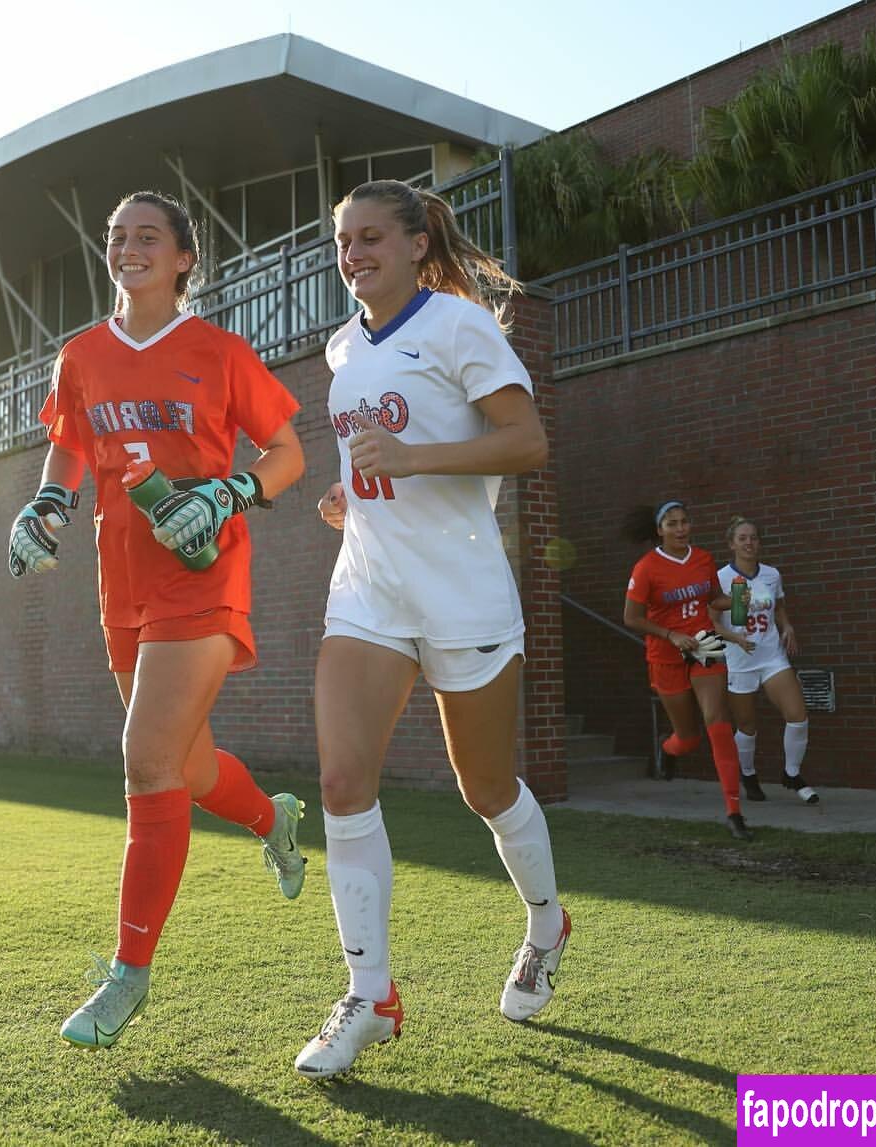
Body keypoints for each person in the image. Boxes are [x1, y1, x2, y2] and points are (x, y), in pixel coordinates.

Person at [8, 190, 308, 1049]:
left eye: (148, 237)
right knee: (188, 760)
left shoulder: (217, 350)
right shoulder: (83, 354)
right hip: (122, 578)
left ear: (183, 258)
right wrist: (46, 505)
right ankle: (270, 818)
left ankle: (127, 976)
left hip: (204, 572)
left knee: (145, 761)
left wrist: (231, 490)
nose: (129, 248)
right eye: (116, 238)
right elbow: (70, 443)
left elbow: (287, 452)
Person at [293, 179, 567, 1081]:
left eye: (371, 236)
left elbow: (525, 442)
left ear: (416, 244)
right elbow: (376, 465)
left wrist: (414, 460)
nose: (353, 252)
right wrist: (351, 494)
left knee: (485, 788)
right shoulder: (342, 348)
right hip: (368, 589)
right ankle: (369, 993)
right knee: (340, 778)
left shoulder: (459, 325)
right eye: (342, 240)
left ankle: (545, 919)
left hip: (463, 594)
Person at [621, 501, 754, 840]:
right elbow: (631, 618)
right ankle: (669, 750)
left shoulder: (703, 559)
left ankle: (734, 812)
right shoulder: (646, 568)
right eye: (672, 524)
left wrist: (742, 598)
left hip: (705, 645)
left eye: (684, 522)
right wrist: (670, 635)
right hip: (666, 653)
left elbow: (714, 599)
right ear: (659, 530)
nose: (680, 528)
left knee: (718, 722)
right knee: (689, 737)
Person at [717, 515, 818, 804]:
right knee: (747, 726)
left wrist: (787, 626)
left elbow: (779, 607)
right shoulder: (721, 578)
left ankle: (792, 773)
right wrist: (735, 638)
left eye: (753, 537)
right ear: (731, 544)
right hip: (740, 660)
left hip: (772, 655)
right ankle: (748, 774)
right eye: (742, 538)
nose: (749, 543)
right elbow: (712, 622)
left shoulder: (772, 574)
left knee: (797, 715)